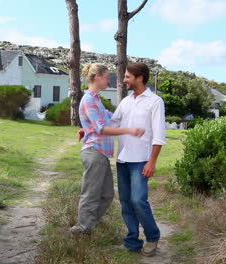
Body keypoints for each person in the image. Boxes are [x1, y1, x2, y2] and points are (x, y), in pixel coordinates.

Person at [70, 64, 144, 235]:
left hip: (101, 154)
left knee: (107, 195)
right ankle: (82, 228)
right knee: (91, 193)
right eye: (106, 76)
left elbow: (110, 119)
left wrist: (85, 129)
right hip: (94, 152)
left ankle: (88, 225)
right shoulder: (89, 99)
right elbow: (101, 128)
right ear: (97, 77)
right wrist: (129, 131)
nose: (108, 79)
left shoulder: (97, 100)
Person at [111, 62, 166, 256]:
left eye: (127, 77)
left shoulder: (155, 101)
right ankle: (132, 241)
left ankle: (152, 237)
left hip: (141, 160)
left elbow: (159, 135)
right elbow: (113, 122)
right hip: (122, 159)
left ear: (139, 77)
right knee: (126, 201)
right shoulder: (126, 101)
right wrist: (90, 128)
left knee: (138, 200)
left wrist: (152, 162)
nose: (124, 80)